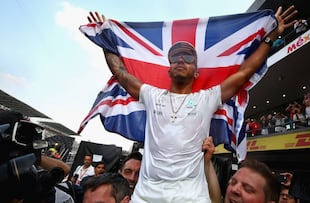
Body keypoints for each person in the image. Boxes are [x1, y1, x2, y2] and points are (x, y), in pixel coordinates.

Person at [87, 5, 297, 202]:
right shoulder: (152, 95)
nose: (180, 60)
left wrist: (271, 36)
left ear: (197, 72)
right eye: (175, 57)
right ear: (168, 69)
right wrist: (106, 40)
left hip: (192, 197)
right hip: (146, 196)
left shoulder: (206, 99)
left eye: (188, 58)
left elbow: (244, 72)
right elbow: (121, 73)